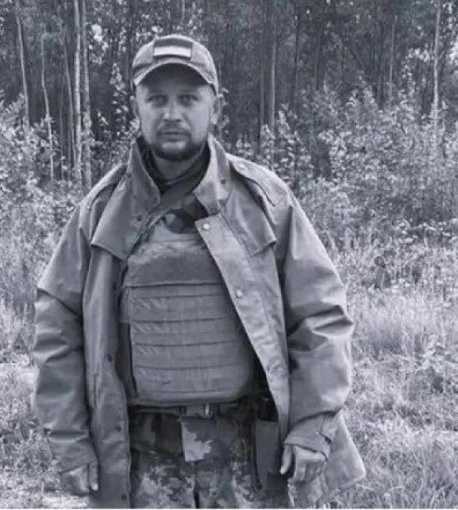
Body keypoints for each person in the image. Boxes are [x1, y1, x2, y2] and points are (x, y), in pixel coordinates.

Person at [32, 34, 365, 508]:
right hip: (138, 464)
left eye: (188, 99)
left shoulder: (264, 202)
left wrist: (313, 424)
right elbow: (57, 326)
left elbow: (320, 314)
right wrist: (70, 441)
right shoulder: (100, 212)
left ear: (216, 107)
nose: (172, 113)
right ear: (137, 107)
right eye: (157, 99)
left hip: (246, 462)